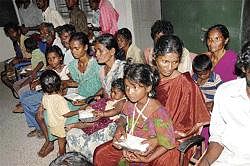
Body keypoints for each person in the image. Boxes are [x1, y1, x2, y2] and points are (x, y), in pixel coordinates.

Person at [94, 63, 176, 166]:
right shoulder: (130, 103)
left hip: (150, 152)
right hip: (131, 146)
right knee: (100, 154)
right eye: (127, 87)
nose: (129, 92)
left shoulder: (158, 112)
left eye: (134, 88)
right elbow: (124, 116)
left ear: (148, 87)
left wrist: (147, 159)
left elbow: (168, 142)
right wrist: (120, 126)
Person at [65, 34, 125, 162]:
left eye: (100, 50)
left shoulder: (123, 69)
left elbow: (128, 99)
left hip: (118, 115)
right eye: (95, 50)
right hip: (105, 106)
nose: (96, 54)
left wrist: (105, 111)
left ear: (112, 51)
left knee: (90, 145)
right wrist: (91, 99)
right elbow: (105, 89)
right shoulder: (102, 70)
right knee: (71, 134)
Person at [154, 35, 210, 165]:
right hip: (150, 130)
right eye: (165, 61)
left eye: (175, 62)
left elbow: (197, 122)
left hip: (175, 137)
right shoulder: (149, 78)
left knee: (161, 160)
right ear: (154, 57)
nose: (170, 67)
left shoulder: (186, 84)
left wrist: (184, 134)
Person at [197, 42, 250, 165]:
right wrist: (205, 162)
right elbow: (218, 138)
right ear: (244, 67)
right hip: (225, 160)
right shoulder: (226, 92)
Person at [66, 78, 126, 162]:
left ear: (124, 94)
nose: (112, 94)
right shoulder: (114, 98)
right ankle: (76, 124)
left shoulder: (122, 102)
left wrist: (103, 114)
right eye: (112, 91)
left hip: (107, 118)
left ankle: (74, 125)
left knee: (91, 123)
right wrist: (99, 100)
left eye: (115, 93)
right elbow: (106, 100)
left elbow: (115, 111)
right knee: (88, 114)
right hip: (102, 111)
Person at [19, 45, 69, 138]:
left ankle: (40, 128)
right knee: (23, 95)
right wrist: (37, 81)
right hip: (45, 91)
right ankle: (36, 121)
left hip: (54, 96)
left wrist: (62, 84)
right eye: (49, 59)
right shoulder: (49, 69)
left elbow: (71, 82)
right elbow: (43, 78)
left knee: (27, 102)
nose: (51, 61)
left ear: (60, 58)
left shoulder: (66, 69)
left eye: (54, 58)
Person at [38, 70, 79, 156]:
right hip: (59, 125)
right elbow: (66, 114)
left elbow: (45, 107)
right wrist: (78, 111)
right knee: (62, 140)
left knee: (56, 135)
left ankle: (54, 146)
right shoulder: (60, 100)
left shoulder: (45, 97)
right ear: (59, 83)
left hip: (50, 122)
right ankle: (62, 153)